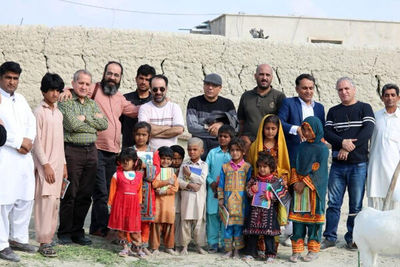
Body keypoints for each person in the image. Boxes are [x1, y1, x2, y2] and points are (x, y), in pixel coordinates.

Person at [321, 77, 375, 250]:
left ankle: (353, 238)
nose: (343, 92)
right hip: (338, 166)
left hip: (358, 165)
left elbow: (367, 131)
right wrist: (342, 142)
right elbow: (327, 133)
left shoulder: (364, 108)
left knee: (356, 205)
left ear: (354, 89)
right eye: (340, 90)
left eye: (346, 89)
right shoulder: (333, 111)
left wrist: (347, 147)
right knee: (333, 204)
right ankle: (329, 237)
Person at [57, 69, 108, 246]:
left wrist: (85, 119)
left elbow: (104, 124)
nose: (84, 87)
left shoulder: (92, 104)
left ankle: (78, 232)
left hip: (91, 152)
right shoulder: (66, 101)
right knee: (70, 193)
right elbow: (71, 124)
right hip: (73, 151)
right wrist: (92, 124)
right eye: (81, 83)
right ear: (73, 83)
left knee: (85, 194)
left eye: (87, 84)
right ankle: (64, 232)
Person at [0, 61, 37, 262]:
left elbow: (31, 123)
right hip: (5, 155)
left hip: (24, 157)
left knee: (24, 198)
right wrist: (17, 142)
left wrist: (29, 141)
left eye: (15, 78)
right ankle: (2, 244)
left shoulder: (21, 99)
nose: (12, 82)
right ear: (1, 78)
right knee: (3, 201)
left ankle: (18, 238)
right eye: (8, 77)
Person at [32, 73, 67, 257]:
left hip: (58, 165)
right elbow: (36, 141)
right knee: (44, 204)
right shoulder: (39, 112)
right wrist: (45, 165)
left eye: (57, 90)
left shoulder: (58, 113)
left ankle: (49, 238)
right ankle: (43, 241)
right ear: (43, 90)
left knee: (54, 204)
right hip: (45, 166)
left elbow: (60, 142)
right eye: (51, 90)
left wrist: (64, 164)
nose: (55, 93)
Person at [247, 114, 291, 251]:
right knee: (257, 216)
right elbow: (251, 166)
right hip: (259, 186)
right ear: (262, 129)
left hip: (274, 187)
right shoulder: (255, 146)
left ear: (278, 129)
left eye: (273, 128)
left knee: (273, 217)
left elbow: (285, 166)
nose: (270, 131)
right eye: (267, 128)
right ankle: (258, 247)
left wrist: (283, 177)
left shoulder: (281, 146)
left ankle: (271, 248)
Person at [288, 117, 329, 263]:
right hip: (298, 190)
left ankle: (313, 250)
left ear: (316, 130)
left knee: (314, 223)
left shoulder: (323, 149)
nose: (305, 132)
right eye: (303, 129)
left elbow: (320, 171)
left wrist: (303, 183)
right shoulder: (300, 147)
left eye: (309, 129)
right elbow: (293, 166)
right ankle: (297, 250)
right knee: (298, 222)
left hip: (313, 190)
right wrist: (294, 183)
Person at [243, 152, 288, 263]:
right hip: (255, 212)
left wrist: (270, 195)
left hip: (269, 213)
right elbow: (247, 191)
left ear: (271, 167)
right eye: (260, 167)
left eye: (265, 167)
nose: (262, 169)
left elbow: (282, 194)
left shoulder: (275, 181)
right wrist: (251, 191)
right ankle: (251, 253)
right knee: (253, 233)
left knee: (269, 235)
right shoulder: (254, 180)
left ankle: (270, 254)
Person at [187, 73, 238, 160]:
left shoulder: (227, 104)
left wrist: (221, 127)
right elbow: (192, 127)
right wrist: (215, 130)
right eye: (207, 84)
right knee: (199, 172)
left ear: (220, 88)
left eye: (214, 85)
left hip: (221, 144)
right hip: (200, 143)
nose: (210, 88)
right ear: (203, 86)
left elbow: (235, 127)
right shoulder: (194, 102)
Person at [278, 74, 325, 166]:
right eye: (304, 88)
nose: (308, 91)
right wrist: (296, 129)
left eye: (311, 88)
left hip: (314, 156)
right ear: (297, 89)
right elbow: (279, 122)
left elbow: (322, 129)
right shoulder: (289, 103)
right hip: (294, 153)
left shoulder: (319, 107)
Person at [237, 64, 286, 151]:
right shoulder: (246, 96)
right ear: (255, 76)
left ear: (272, 77)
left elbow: (282, 123)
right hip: (248, 144)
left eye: (267, 75)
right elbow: (241, 121)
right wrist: (239, 139)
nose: (264, 78)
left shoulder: (279, 96)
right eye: (261, 74)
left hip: (269, 145)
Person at [367, 83, 400, 210]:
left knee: (396, 202)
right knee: (376, 205)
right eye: (386, 95)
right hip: (376, 168)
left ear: (398, 98)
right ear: (382, 98)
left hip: (396, 169)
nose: (390, 98)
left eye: (393, 95)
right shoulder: (375, 117)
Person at [218, 138, 252, 258]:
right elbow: (221, 184)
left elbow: (249, 184)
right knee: (227, 226)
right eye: (232, 150)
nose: (235, 153)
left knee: (238, 227)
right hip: (228, 202)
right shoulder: (225, 167)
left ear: (243, 152)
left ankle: (237, 250)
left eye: (238, 150)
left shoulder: (247, 167)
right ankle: (228, 250)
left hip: (242, 203)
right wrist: (221, 198)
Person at [107, 148, 144, 257]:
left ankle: (137, 247)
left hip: (133, 205)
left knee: (134, 227)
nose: (125, 163)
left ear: (135, 161)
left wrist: (140, 203)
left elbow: (139, 191)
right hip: (120, 205)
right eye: (123, 160)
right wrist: (110, 205)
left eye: (128, 160)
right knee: (121, 227)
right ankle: (125, 248)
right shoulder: (116, 175)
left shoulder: (139, 176)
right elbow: (112, 191)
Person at [132, 121, 160, 255]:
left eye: (144, 135)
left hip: (147, 190)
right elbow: (121, 168)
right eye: (138, 134)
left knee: (145, 220)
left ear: (149, 136)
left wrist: (145, 167)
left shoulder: (153, 153)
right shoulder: (130, 151)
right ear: (134, 135)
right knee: (132, 218)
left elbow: (156, 171)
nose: (140, 138)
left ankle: (143, 244)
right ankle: (132, 243)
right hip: (131, 190)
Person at [205, 125, 235, 253]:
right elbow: (205, 170)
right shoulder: (212, 153)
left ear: (231, 138)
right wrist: (211, 182)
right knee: (212, 216)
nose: (222, 139)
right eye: (220, 136)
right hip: (213, 191)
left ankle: (224, 243)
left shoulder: (233, 154)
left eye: (225, 136)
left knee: (225, 217)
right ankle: (212, 243)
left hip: (228, 191)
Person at [178, 137, 208, 255]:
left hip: (199, 199)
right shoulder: (184, 164)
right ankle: (184, 246)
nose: (192, 152)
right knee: (185, 222)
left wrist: (190, 174)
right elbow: (179, 181)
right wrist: (190, 185)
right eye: (190, 149)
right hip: (186, 198)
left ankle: (199, 246)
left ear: (202, 151)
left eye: (195, 149)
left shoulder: (204, 165)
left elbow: (202, 179)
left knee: (199, 223)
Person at [138, 74, 184, 150]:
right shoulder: (144, 108)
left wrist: (151, 133)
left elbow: (178, 130)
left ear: (166, 88)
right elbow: (143, 131)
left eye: (162, 89)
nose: (158, 92)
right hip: (150, 155)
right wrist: (168, 127)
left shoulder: (174, 107)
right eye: (155, 89)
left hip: (170, 156)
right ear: (150, 89)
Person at [149, 146, 179, 255]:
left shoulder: (172, 173)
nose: (165, 161)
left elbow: (175, 188)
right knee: (156, 226)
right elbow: (155, 184)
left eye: (168, 159)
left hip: (169, 205)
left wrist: (164, 191)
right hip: (158, 204)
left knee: (170, 226)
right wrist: (166, 182)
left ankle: (169, 247)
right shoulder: (156, 172)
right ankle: (154, 247)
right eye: (163, 158)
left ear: (171, 160)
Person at [121, 64, 155, 148]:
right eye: (141, 78)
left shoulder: (154, 101)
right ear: (136, 79)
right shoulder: (125, 98)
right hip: (128, 146)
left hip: (148, 149)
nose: (143, 82)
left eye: (147, 79)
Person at [170, 145, 185, 249]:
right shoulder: (167, 170)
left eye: (179, 159)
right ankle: (169, 242)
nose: (176, 161)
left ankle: (176, 243)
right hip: (169, 200)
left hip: (180, 200)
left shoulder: (184, 169)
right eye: (174, 158)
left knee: (178, 222)